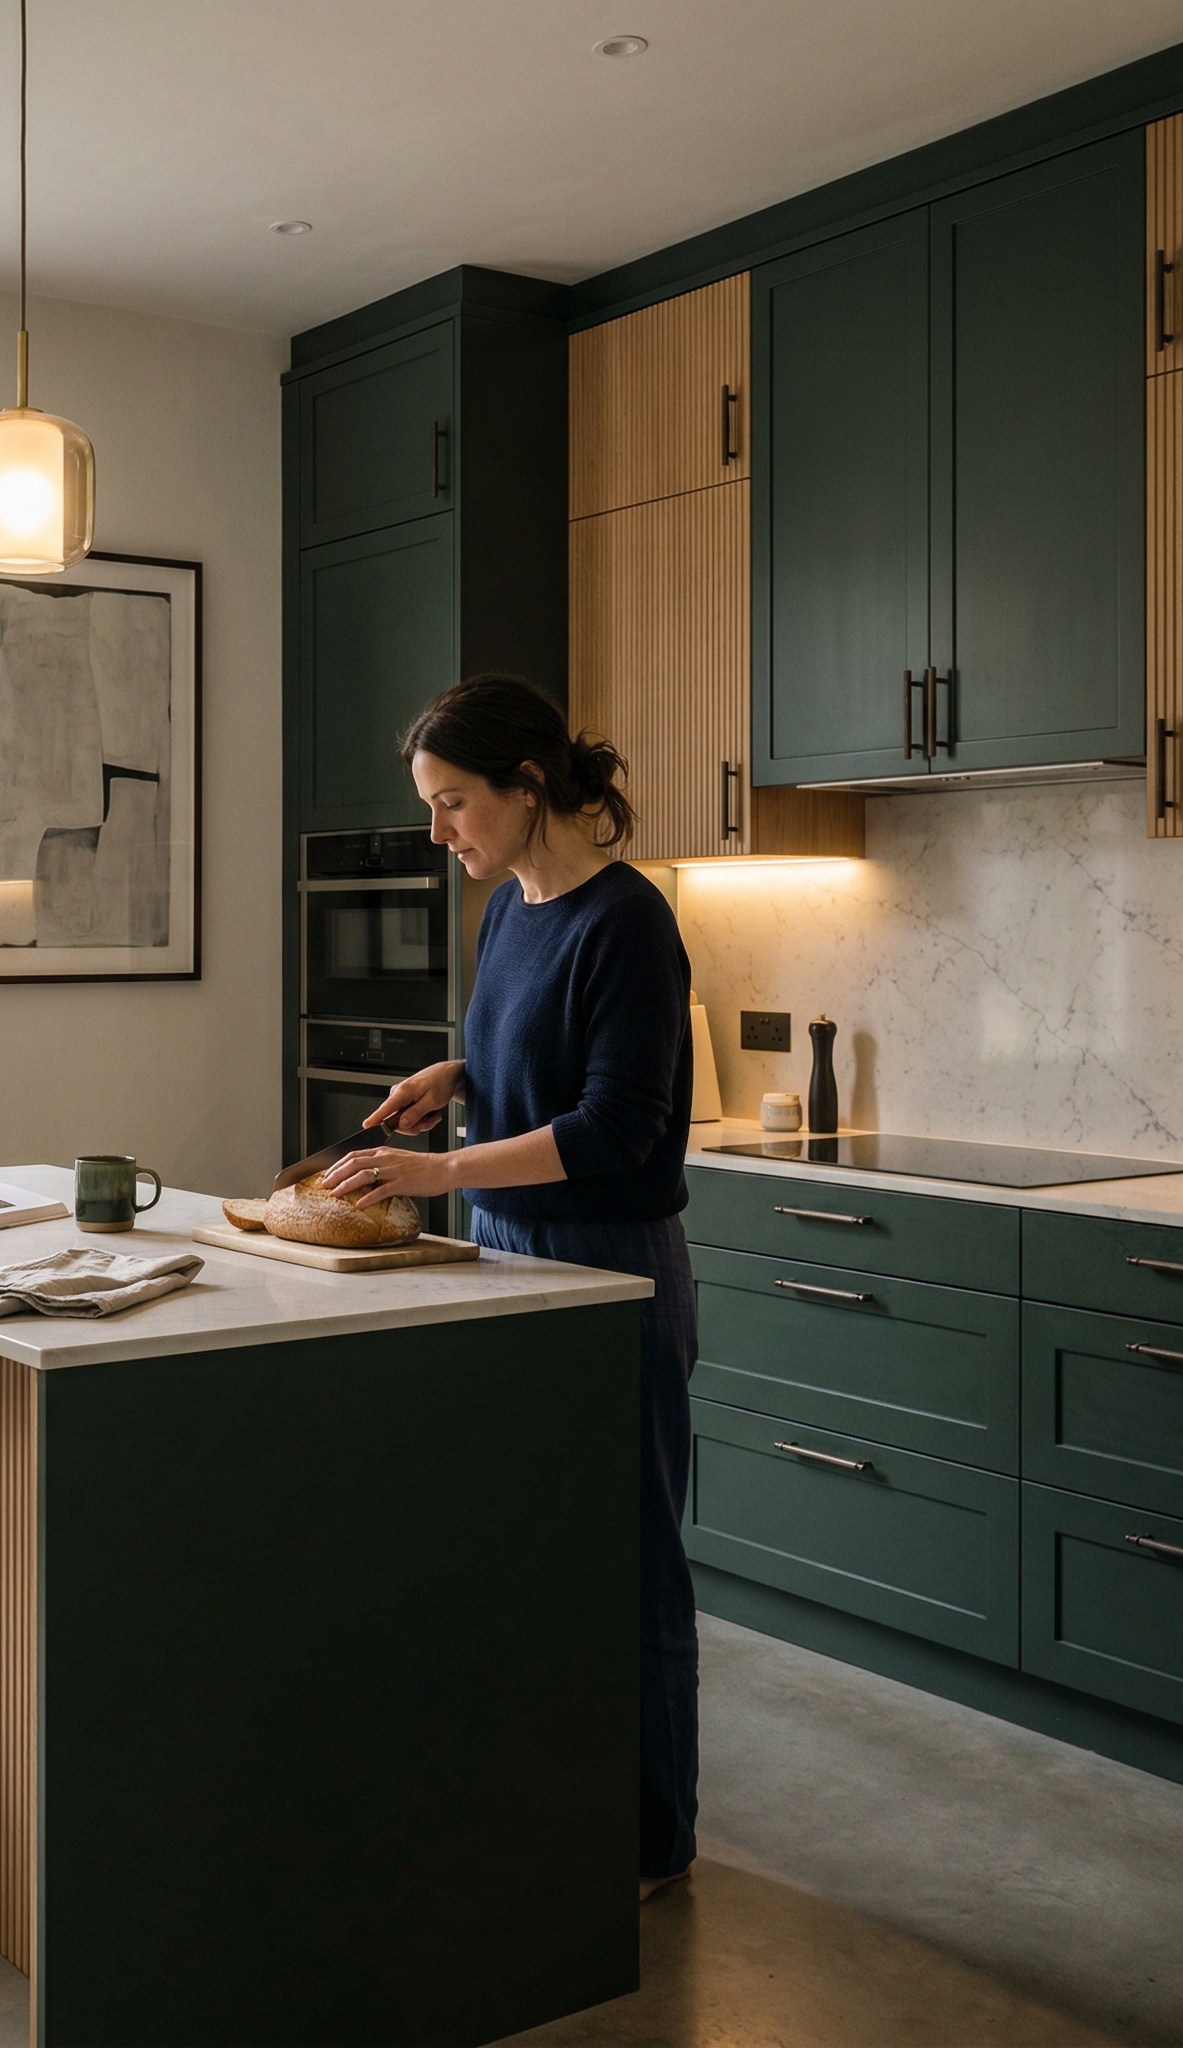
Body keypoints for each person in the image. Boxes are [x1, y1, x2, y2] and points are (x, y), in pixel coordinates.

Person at [319, 671, 699, 1902]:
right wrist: (455, 1075)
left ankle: (647, 1833)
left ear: (529, 785)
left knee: (625, 1553)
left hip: (603, 1264)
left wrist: (433, 1166)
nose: (439, 833)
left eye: (452, 803)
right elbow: (527, 1065)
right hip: (498, 1246)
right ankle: (539, 1793)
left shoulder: (626, 919)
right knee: (521, 1549)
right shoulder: (514, 912)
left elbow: (614, 1124)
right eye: (429, 807)